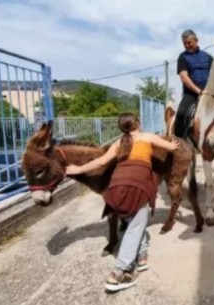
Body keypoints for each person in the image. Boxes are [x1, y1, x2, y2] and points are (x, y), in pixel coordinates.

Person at [65, 113, 180, 292]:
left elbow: (100, 162)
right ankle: (118, 273)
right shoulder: (146, 136)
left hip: (116, 189)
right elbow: (170, 148)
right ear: (138, 124)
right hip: (138, 188)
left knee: (135, 223)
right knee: (135, 228)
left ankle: (141, 258)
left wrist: (77, 169)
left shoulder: (119, 143)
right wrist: (173, 144)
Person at [174, 29, 214, 139]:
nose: (187, 45)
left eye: (189, 42)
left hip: (209, 92)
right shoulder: (182, 57)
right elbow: (184, 78)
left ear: (196, 41)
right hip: (191, 94)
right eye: (185, 43)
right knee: (181, 114)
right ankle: (180, 142)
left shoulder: (208, 57)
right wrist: (199, 92)